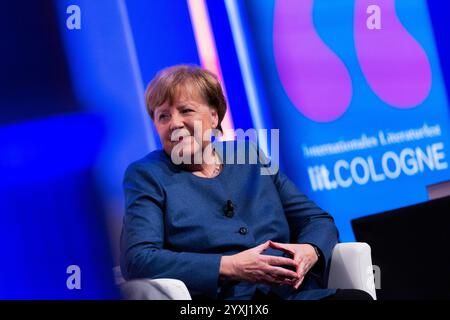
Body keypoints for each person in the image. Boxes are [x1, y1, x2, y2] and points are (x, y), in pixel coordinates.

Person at [120, 65, 372, 300]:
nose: (174, 123)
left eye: (186, 110)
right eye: (163, 116)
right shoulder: (147, 175)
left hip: (296, 293)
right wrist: (230, 266)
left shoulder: (249, 158)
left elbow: (315, 219)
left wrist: (310, 250)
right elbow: (138, 259)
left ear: (214, 117)